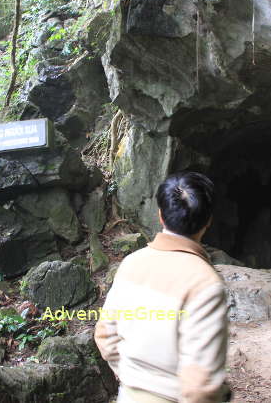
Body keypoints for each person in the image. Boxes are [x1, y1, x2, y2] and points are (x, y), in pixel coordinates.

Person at [94, 171, 229, 403]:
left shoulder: (130, 264)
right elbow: (200, 384)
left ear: (160, 216)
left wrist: (135, 378)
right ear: (209, 221)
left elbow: (105, 336)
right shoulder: (206, 284)